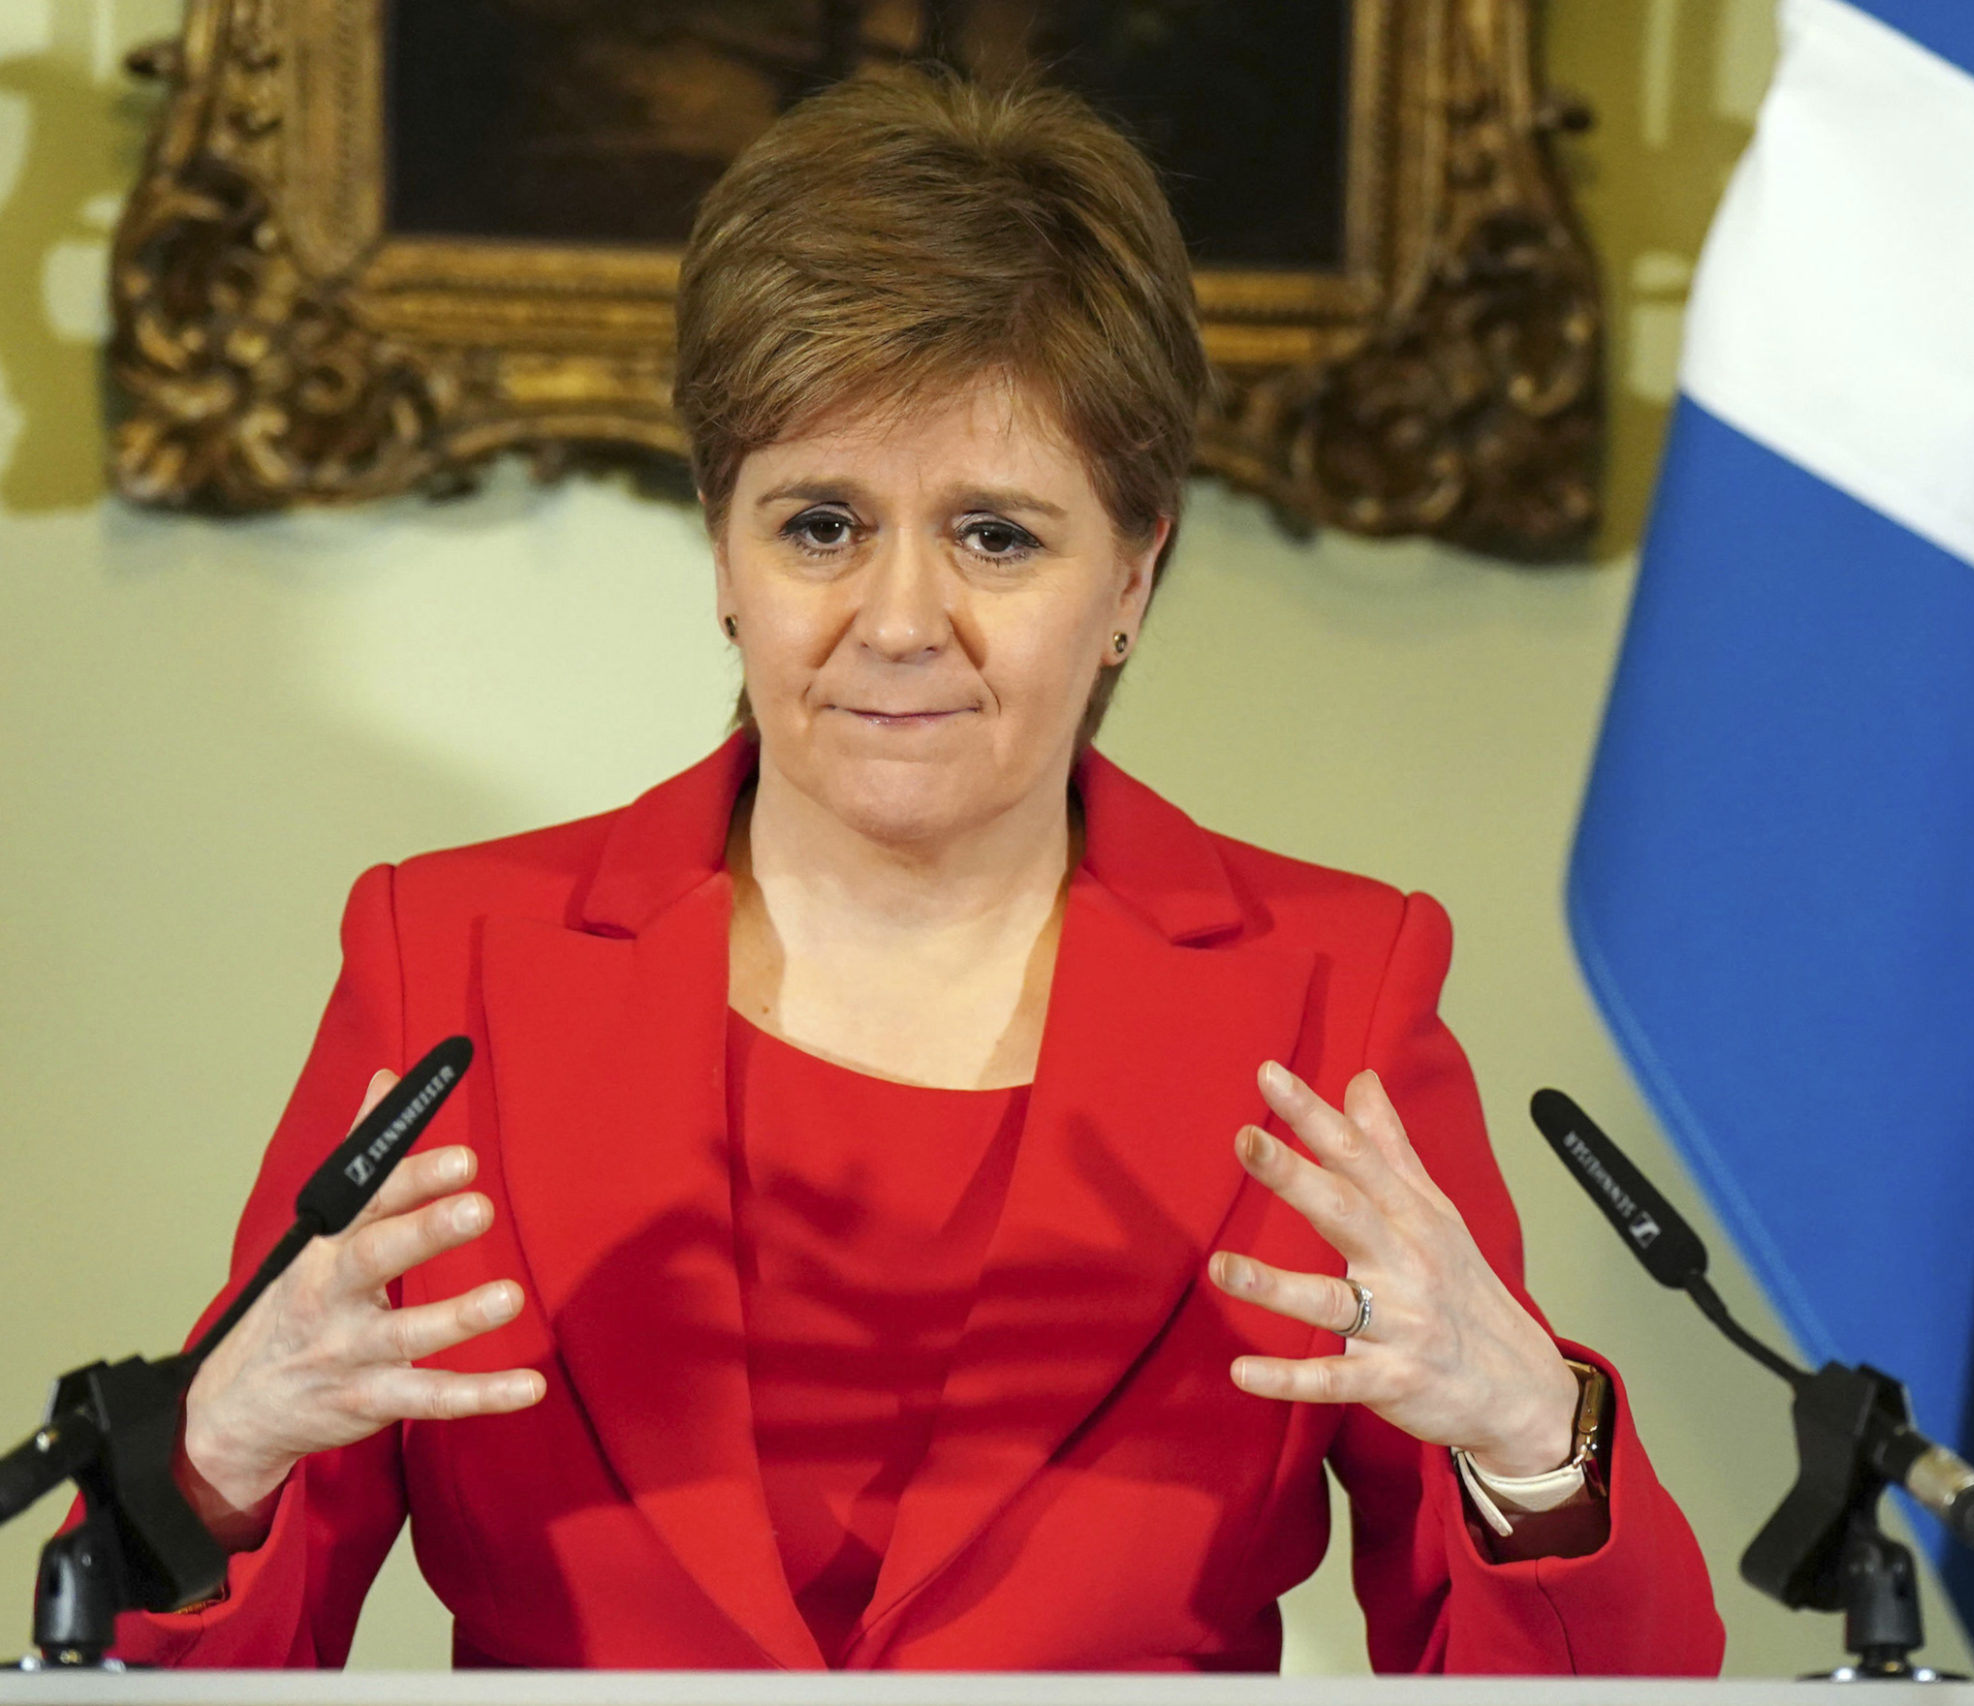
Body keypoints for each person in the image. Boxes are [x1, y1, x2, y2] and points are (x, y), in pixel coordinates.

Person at [122, 73, 1724, 1672]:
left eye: (997, 535)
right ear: (722, 550)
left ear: (1133, 573)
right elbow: (146, 1658)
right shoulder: (451, 959)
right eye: (820, 525)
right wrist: (221, 1454)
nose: (897, 620)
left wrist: (1529, 1432)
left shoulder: (1330, 991)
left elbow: (1601, 1686)